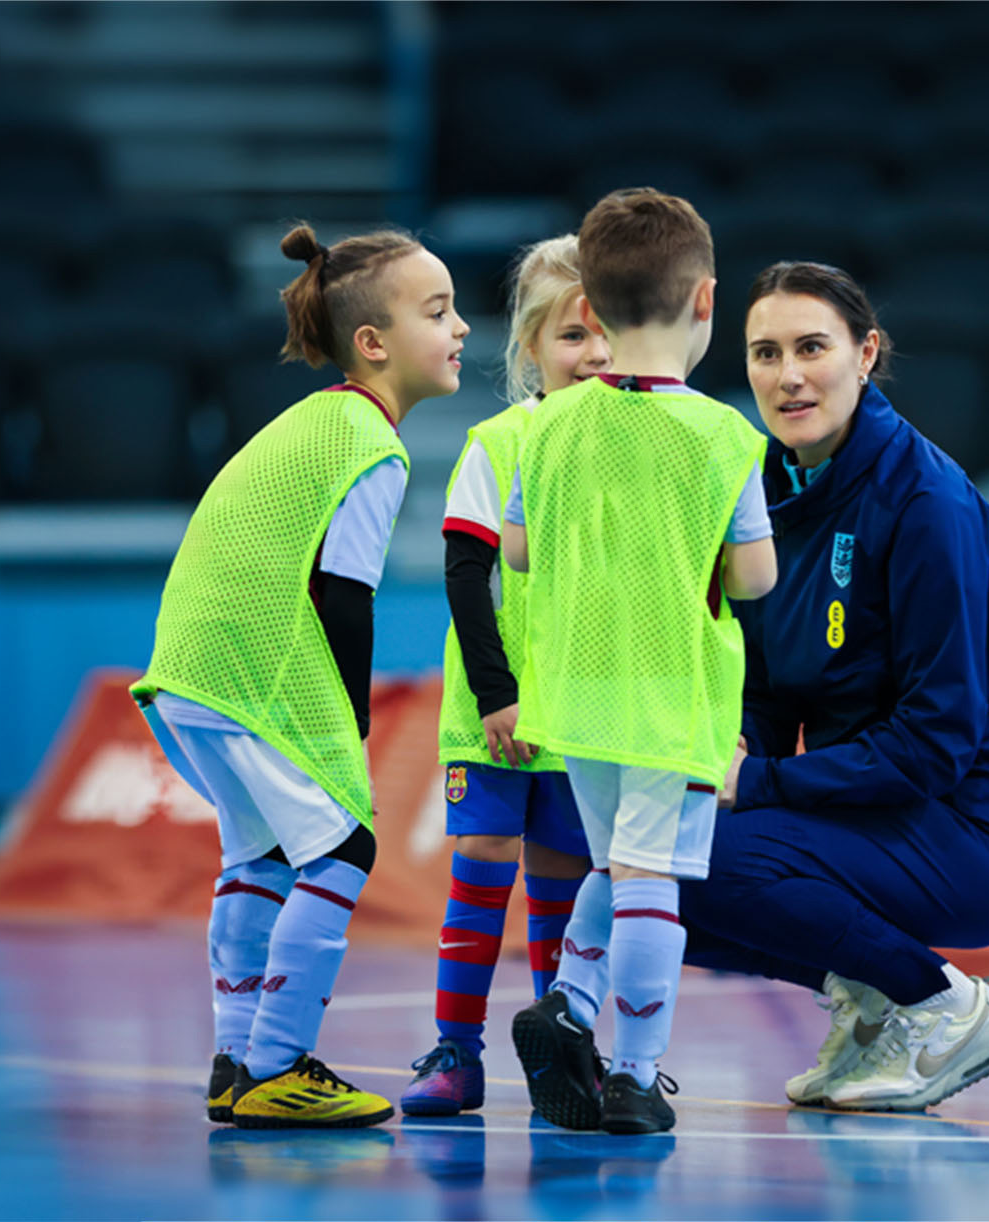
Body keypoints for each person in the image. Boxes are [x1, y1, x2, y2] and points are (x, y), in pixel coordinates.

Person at [682, 261, 989, 1112]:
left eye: (812, 347)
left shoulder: (927, 505)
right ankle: (873, 999)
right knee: (647, 865)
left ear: (866, 354)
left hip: (972, 835)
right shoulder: (766, 487)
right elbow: (770, 684)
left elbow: (937, 743)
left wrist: (760, 786)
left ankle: (940, 1003)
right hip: (863, 811)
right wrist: (733, 761)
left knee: (695, 857)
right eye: (765, 353)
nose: (788, 375)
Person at [134, 223, 467, 1130]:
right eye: (438, 311)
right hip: (255, 673)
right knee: (342, 850)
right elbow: (341, 595)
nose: (462, 327)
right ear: (374, 344)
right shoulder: (372, 442)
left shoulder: (315, 419)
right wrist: (350, 722)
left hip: (190, 671)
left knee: (263, 854)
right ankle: (279, 1063)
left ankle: (237, 1059)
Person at [502, 188, 780, 1135]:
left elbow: (520, 551)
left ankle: (568, 1004)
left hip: (576, 687)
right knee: (654, 876)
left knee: (621, 861)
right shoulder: (723, 438)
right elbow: (753, 579)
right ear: (707, 302)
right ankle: (633, 1073)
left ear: (589, 310)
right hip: (670, 690)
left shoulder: (549, 425)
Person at [399, 235, 610, 1116]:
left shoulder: (637, 450)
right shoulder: (501, 442)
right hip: (494, 718)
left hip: (581, 721)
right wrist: (498, 695)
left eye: (609, 336)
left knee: (562, 892)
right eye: (571, 337)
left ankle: (558, 1057)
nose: (594, 354)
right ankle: (456, 1053)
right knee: (481, 877)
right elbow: (465, 573)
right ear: (531, 351)